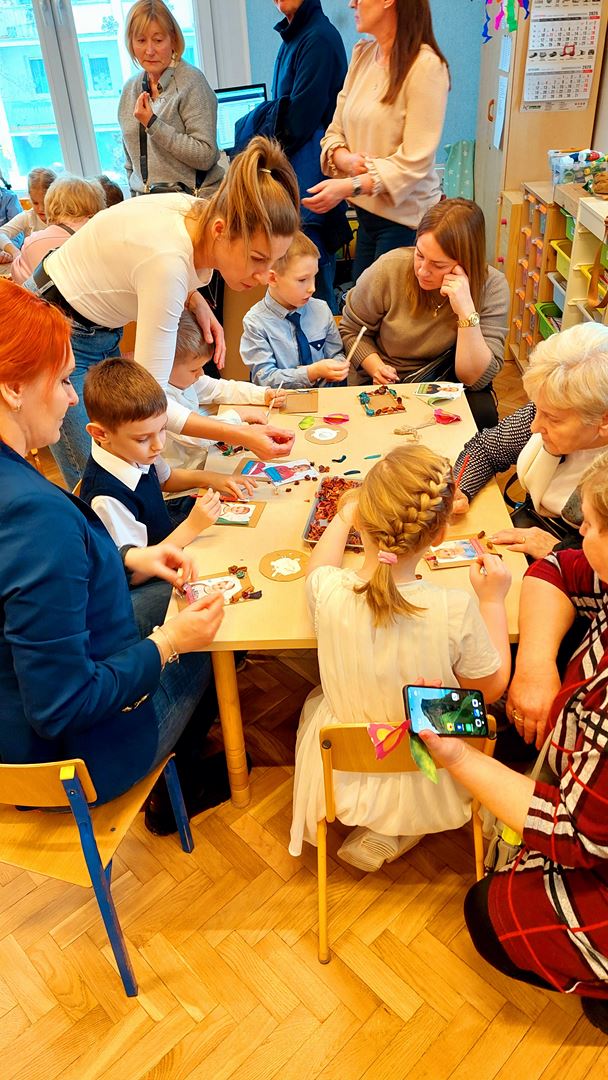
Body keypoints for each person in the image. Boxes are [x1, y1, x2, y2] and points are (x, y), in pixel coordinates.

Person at [0, 279, 232, 835]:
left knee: (184, 602)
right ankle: (186, 784)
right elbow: (63, 704)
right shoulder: (34, 516)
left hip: (27, 708)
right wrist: (169, 643)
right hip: (75, 761)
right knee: (222, 636)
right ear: (12, 388)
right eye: (62, 380)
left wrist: (132, 561)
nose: (71, 397)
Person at [420, 452, 608, 1032]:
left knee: (488, 913)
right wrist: (536, 663)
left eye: (592, 524)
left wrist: (456, 755)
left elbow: (573, 832)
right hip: (586, 810)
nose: (578, 531)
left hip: (588, 834)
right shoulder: (595, 571)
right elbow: (559, 567)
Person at [24, 135, 300, 489]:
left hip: (91, 324)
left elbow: (146, 260)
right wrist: (242, 434)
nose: (263, 276)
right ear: (220, 230)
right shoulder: (167, 264)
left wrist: (195, 298)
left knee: (125, 464)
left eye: (273, 261)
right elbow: (154, 404)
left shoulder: (197, 212)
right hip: (54, 325)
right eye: (257, 258)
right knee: (100, 478)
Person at [289, 444, 511, 871]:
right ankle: (401, 825)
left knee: (318, 699)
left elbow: (317, 569)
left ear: (363, 523)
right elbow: (490, 688)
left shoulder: (328, 591)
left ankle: (388, 826)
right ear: (439, 534)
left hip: (347, 769)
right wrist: (493, 602)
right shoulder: (453, 608)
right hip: (434, 762)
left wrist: (343, 517)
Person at [303, 0, 449, 280]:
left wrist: (349, 185)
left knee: (383, 307)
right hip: (367, 217)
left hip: (405, 225)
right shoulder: (363, 56)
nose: (351, 4)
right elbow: (334, 131)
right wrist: (346, 160)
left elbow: (414, 163)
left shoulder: (426, 67)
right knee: (360, 304)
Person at [340, 198, 509, 429]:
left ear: (466, 263)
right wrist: (375, 365)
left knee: (483, 412)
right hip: (389, 380)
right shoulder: (390, 268)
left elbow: (474, 379)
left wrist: (466, 310)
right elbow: (351, 330)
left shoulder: (492, 286)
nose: (422, 271)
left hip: (446, 381)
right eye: (419, 255)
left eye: (438, 265)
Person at [452, 323, 608, 559]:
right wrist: (461, 489)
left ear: (604, 420)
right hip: (534, 527)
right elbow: (486, 448)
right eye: (537, 408)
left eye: (553, 419)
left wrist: (559, 553)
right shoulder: (553, 406)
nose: (535, 426)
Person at [234, 0, 348, 309]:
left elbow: (297, 123)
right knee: (292, 299)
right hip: (297, 191)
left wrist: (257, 120)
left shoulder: (318, 39)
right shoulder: (294, 37)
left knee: (314, 301)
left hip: (310, 195)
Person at [81, 357, 259, 547]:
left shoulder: (127, 450)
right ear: (101, 434)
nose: (158, 445)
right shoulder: (106, 499)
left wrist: (213, 478)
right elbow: (135, 564)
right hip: (163, 556)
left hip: (168, 533)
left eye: (163, 429)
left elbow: (165, 480)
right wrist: (192, 526)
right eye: (142, 439)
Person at [118, 0, 224, 198]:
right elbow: (130, 164)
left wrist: (153, 124)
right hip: (148, 204)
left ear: (173, 40)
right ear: (131, 44)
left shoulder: (192, 82)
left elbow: (206, 156)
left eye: (158, 40)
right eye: (141, 40)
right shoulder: (130, 89)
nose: (149, 50)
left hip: (194, 200)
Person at [164, 308, 286, 475]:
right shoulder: (160, 399)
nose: (201, 374)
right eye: (194, 370)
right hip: (183, 478)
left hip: (204, 461)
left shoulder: (185, 379)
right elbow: (196, 436)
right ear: (165, 365)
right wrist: (239, 415)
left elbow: (220, 388)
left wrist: (262, 394)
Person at [241, 230, 348, 389]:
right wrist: (312, 372)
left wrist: (339, 365)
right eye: (302, 280)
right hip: (282, 402)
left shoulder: (321, 310)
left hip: (326, 399)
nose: (312, 288)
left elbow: (336, 353)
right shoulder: (255, 323)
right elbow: (264, 379)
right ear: (272, 278)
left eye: (314, 276)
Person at [10, 176, 105, 286]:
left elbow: (19, 279)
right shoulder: (103, 233)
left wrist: (16, 255)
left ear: (50, 204)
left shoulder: (34, 242)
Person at [0, 166, 56, 275]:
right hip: (34, 272)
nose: (41, 208)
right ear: (29, 197)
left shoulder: (65, 217)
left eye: (46, 202)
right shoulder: (28, 217)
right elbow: (1, 233)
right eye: (35, 203)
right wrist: (15, 252)